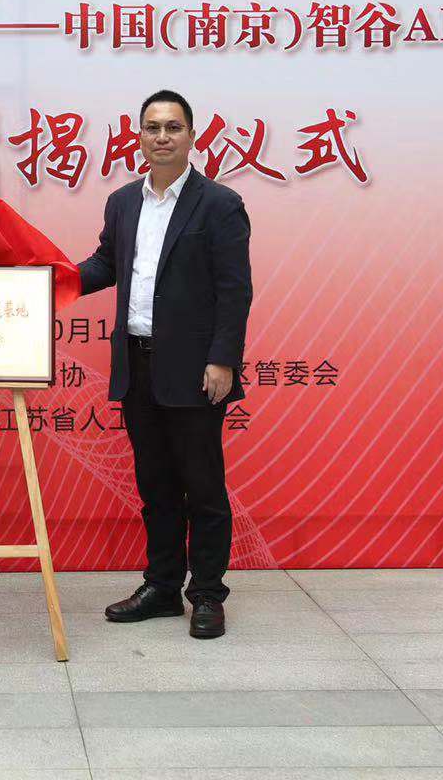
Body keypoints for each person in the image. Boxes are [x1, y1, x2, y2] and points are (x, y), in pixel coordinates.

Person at [77, 89, 253, 639]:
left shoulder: (219, 204)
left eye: (172, 127)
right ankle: (161, 587)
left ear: (191, 136)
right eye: (152, 127)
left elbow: (235, 290)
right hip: (137, 364)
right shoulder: (123, 202)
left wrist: (223, 360)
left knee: (203, 486)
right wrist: (51, 279)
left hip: (196, 369)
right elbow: (106, 262)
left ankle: (207, 594)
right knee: (154, 486)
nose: (161, 137)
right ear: (139, 136)